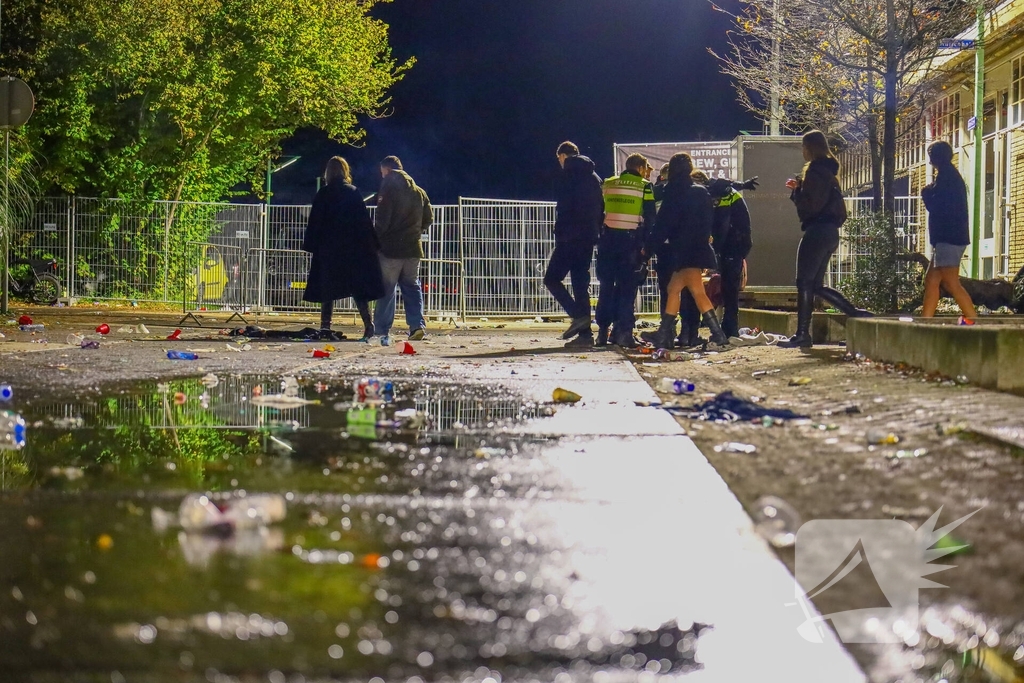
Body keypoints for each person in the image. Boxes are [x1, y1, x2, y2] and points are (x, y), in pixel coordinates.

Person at [779, 130, 871, 349]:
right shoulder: (829, 172)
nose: (802, 151)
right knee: (816, 286)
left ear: (810, 148)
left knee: (804, 283)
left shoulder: (814, 171)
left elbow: (811, 205)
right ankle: (856, 314)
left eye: (804, 147)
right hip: (830, 232)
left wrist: (797, 192)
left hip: (817, 231)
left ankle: (802, 335)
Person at [646, 153, 729, 348]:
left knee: (691, 292)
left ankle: (717, 335)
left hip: (683, 251)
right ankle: (666, 333)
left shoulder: (673, 192)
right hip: (698, 249)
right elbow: (710, 220)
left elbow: (662, 226)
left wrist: (648, 249)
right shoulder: (700, 192)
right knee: (679, 290)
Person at [302, 156, 385, 341]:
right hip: (351, 249)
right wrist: (372, 244)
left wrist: (311, 244)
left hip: (328, 249)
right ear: (345, 171)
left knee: (327, 288)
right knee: (357, 287)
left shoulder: (323, 194)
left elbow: (315, 222)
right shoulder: (353, 192)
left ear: (328, 173)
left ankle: (325, 326)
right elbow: (363, 222)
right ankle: (368, 323)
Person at [544, 141, 604, 348]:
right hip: (588, 237)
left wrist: (560, 230)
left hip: (569, 236)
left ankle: (579, 316)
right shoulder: (594, 177)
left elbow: (565, 207)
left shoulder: (566, 176)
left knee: (551, 279)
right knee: (580, 283)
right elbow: (600, 207)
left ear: (562, 156)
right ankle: (585, 336)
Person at [595, 153, 656, 347]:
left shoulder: (609, 183)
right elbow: (650, 218)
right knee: (627, 289)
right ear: (640, 168)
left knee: (606, 287)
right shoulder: (645, 186)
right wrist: (647, 248)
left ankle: (603, 332)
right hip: (631, 244)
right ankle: (624, 333)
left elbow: (599, 211)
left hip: (607, 242)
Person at [372, 156, 433, 346]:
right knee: (412, 287)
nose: (382, 176)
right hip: (413, 248)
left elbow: (383, 220)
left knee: (387, 289)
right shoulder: (419, 191)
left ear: (387, 170)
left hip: (391, 248)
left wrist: (375, 238)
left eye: (382, 172)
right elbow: (429, 218)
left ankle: (381, 330)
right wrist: (415, 231)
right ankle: (417, 326)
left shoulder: (388, 187)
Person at [920, 140, 977, 322]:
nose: (930, 162)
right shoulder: (950, 176)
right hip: (949, 238)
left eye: (931, 158)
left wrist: (926, 193)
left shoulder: (946, 178)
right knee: (932, 281)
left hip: (948, 238)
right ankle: (925, 323)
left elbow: (938, 206)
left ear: (935, 158)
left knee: (951, 282)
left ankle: (975, 322)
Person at [706, 176, 752, 338]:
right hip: (735, 246)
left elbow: (722, 227)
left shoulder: (721, 196)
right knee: (728, 289)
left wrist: (715, 250)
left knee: (730, 290)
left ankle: (730, 328)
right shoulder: (726, 192)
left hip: (733, 247)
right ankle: (728, 327)